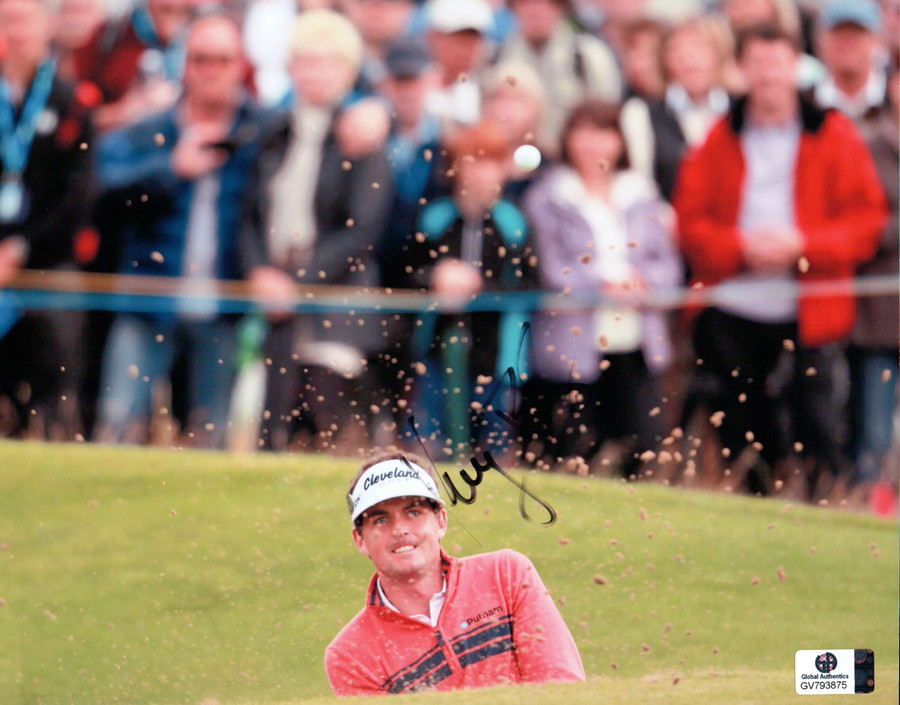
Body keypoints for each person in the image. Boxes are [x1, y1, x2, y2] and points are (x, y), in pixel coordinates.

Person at [673, 23, 887, 498]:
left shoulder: (833, 133)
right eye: (758, 64)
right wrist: (740, 248)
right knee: (741, 431)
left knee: (818, 429)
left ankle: (824, 518)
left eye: (777, 63)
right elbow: (690, 223)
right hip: (733, 307)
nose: (768, 76)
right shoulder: (718, 138)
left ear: (796, 67)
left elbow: (865, 222)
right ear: (742, 70)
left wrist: (802, 244)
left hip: (810, 306)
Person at [93, 12, 269, 448]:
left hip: (223, 304)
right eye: (200, 59)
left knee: (211, 438)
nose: (211, 71)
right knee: (118, 427)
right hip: (148, 299)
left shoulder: (263, 129)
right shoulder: (153, 128)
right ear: (185, 64)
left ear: (240, 65)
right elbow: (101, 189)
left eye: (222, 60)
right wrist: (171, 170)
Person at [240, 9, 394, 452]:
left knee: (327, 431)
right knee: (273, 433)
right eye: (304, 60)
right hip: (275, 299)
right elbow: (249, 211)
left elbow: (361, 231)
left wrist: (297, 284)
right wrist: (260, 274)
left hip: (337, 303)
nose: (314, 72)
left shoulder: (361, 134)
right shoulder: (273, 131)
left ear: (347, 70)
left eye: (326, 61)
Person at [325, 452, 585, 695]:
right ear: (359, 539)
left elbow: (560, 689)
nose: (400, 529)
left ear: (440, 522)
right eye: (381, 520)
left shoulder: (506, 575)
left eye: (413, 512)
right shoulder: (351, 653)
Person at [521, 100, 682, 472]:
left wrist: (640, 284)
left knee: (641, 448)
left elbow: (668, 265)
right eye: (584, 132)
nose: (594, 144)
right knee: (571, 449)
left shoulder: (641, 194)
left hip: (635, 340)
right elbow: (550, 267)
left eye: (604, 133)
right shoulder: (549, 196)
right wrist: (602, 285)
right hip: (572, 344)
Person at [400, 121, 534, 456]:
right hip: (435, 350)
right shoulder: (434, 218)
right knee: (429, 446)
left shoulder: (514, 224)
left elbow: (532, 285)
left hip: (497, 356)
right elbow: (405, 273)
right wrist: (436, 277)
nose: (481, 174)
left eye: (490, 163)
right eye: (473, 162)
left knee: (492, 452)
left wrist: (480, 287)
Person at [0, 0, 96, 439]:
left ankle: (57, 433)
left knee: (55, 354)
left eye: (23, 19)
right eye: (6, 20)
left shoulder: (72, 99)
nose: (15, 30)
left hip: (46, 259)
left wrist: (20, 248)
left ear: (46, 26)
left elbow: (76, 196)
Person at [847, 56, 899, 506]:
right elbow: (861, 226)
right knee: (875, 433)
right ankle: (869, 518)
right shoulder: (867, 142)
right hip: (880, 319)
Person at [621, 14, 735, 201]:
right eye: (677, 50)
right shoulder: (642, 114)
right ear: (665, 60)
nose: (689, 59)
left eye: (699, 47)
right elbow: (640, 186)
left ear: (720, 53)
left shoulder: (740, 110)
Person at [495, 0, 621, 158]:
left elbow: (606, 119)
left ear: (561, 7)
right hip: (512, 166)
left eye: (546, 3)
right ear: (513, 8)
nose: (536, 10)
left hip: (572, 164)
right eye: (526, 3)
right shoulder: (495, 58)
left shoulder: (588, 56)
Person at [812, 0, 887, 121]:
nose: (847, 42)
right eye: (839, 32)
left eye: (856, 32)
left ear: (876, 41)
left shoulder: (893, 101)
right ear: (820, 41)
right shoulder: (803, 104)